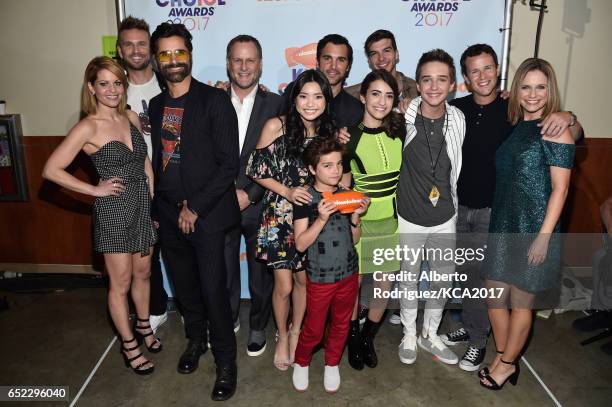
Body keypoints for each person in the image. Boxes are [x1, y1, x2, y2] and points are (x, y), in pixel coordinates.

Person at [440, 44, 584, 372]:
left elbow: (571, 139)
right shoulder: (461, 110)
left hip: (500, 214)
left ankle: (483, 345)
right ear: (465, 77)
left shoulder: (512, 111)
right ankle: (493, 345)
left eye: (488, 68)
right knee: (468, 278)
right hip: (463, 210)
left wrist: (569, 117)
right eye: (474, 70)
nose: (482, 76)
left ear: (497, 72)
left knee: (494, 288)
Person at [43, 56, 158, 375]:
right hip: (114, 210)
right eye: (104, 84)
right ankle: (129, 344)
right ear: (92, 88)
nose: (112, 90)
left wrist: (152, 198)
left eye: (117, 83)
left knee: (144, 273)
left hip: (142, 207)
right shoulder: (87, 126)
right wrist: (95, 190)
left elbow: (145, 162)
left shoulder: (132, 118)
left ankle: (145, 325)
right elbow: (51, 169)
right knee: (120, 282)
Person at [148, 22, 239, 401]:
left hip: (208, 215)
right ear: (156, 60)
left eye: (179, 52)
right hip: (169, 216)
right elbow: (160, 161)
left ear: (190, 54)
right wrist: (158, 209)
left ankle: (226, 361)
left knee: (213, 291)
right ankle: (195, 341)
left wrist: (195, 208)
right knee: (185, 289)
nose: (173, 60)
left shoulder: (214, 101)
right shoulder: (155, 106)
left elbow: (228, 165)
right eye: (165, 54)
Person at [480, 58, 575, 390]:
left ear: (550, 91)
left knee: (521, 303)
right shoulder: (519, 125)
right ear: (516, 90)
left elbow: (561, 189)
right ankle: (509, 357)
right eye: (526, 86)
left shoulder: (557, 128)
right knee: (494, 298)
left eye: (540, 87)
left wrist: (543, 238)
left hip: (534, 229)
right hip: (504, 224)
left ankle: (504, 364)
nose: (533, 95)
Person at [246, 69, 336, 371]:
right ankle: (282, 334)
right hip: (279, 215)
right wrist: (286, 190)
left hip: (312, 218)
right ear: (294, 97)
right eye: (304, 95)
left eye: (318, 96)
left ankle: (298, 330)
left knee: (304, 282)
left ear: (326, 99)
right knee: (283, 286)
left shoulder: (329, 132)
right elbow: (255, 169)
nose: (310, 103)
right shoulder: (276, 125)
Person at [396, 49, 465, 366]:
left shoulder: (458, 118)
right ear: (418, 83)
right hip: (409, 217)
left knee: (441, 280)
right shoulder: (402, 115)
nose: (434, 87)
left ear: (452, 84)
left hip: (444, 217)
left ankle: (430, 334)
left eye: (441, 80)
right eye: (427, 79)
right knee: (408, 278)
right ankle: (409, 333)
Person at [291, 137, 369, 393]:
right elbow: (301, 244)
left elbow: (354, 237)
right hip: (321, 277)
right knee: (313, 329)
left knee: (341, 324)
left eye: (338, 164)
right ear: (313, 169)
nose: (335, 170)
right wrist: (322, 219)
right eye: (327, 165)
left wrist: (356, 217)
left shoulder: (347, 195)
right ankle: (301, 362)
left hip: (348, 273)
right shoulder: (305, 199)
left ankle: (332, 363)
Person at [341, 69, 406, 370]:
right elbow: (341, 185)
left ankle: (368, 336)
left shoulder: (400, 129)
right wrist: (352, 218)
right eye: (376, 94)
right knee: (354, 285)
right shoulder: (348, 136)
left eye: (389, 95)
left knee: (384, 285)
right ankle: (353, 337)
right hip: (360, 223)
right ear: (363, 96)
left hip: (390, 222)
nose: (381, 101)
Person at [224, 34, 281, 356]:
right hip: (221, 203)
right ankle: (229, 318)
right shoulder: (212, 100)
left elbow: (280, 157)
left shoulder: (276, 104)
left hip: (260, 204)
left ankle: (258, 325)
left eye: (250, 60)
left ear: (260, 64)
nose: (243, 67)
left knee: (261, 275)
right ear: (229, 63)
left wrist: (251, 193)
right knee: (224, 268)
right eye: (237, 60)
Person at [117, 15, 168, 334]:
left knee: (174, 248)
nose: (136, 50)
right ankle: (155, 309)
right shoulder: (112, 89)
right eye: (129, 44)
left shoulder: (168, 81)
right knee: (143, 255)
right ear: (120, 50)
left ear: (150, 48)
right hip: (133, 183)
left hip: (170, 177)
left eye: (141, 44)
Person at [281, 34, 362, 129]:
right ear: (317, 63)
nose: (333, 66)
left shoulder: (355, 109)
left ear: (348, 66)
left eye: (341, 60)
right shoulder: (294, 91)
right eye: (327, 58)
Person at [345, 29, 418, 105]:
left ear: (396, 54)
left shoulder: (418, 91)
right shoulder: (350, 96)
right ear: (369, 60)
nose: (381, 58)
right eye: (374, 53)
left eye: (386, 50)